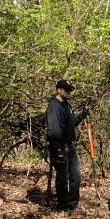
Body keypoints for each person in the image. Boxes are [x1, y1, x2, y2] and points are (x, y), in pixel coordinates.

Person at [45, 78, 87, 211]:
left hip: (69, 144)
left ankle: (73, 203)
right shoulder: (53, 106)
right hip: (58, 145)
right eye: (67, 90)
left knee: (76, 175)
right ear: (59, 90)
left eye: (70, 90)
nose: (69, 93)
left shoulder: (67, 106)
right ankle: (62, 205)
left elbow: (72, 124)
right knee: (63, 176)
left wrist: (82, 116)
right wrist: (59, 146)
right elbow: (53, 129)